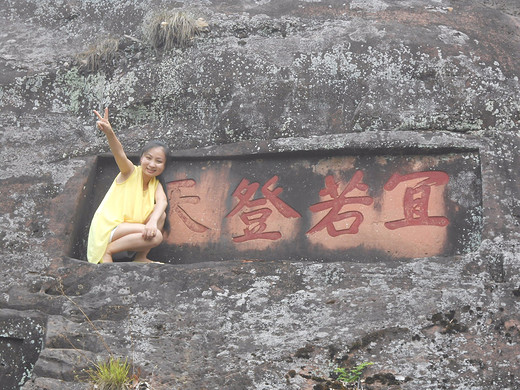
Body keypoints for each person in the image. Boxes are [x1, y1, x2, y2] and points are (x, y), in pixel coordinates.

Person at [87, 107, 170, 264]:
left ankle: (140, 258)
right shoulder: (130, 172)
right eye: (149, 158)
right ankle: (107, 251)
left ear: (164, 166)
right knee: (156, 235)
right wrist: (109, 133)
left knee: (161, 215)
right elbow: (119, 153)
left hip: (127, 232)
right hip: (109, 229)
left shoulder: (155, 184)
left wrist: (152, 221)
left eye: (159, 161)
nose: (152, 164)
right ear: (141, 158)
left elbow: (162, 202)